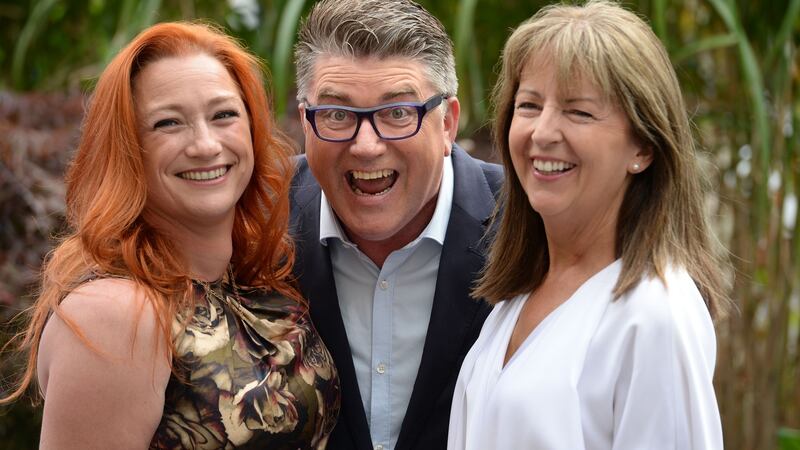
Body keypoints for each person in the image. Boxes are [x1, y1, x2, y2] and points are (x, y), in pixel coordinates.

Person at [1, 22, 339, 449]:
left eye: (223, 115)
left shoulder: (259, 280)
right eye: (168, 123)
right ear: (127, 149)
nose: (204, 145)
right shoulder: (115, 315)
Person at [447, 1, 731, 449]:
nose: (542, 132)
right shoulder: (516, 299)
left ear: (643, 146)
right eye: (529, 105)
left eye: (578, 112)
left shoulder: (655, 315)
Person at [289, 1, 503, 449]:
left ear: (447, 123)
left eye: (398, 113)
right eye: (337, 115)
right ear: (305, 123)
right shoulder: (256, 219)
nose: (367, 146)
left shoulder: (527, 225)